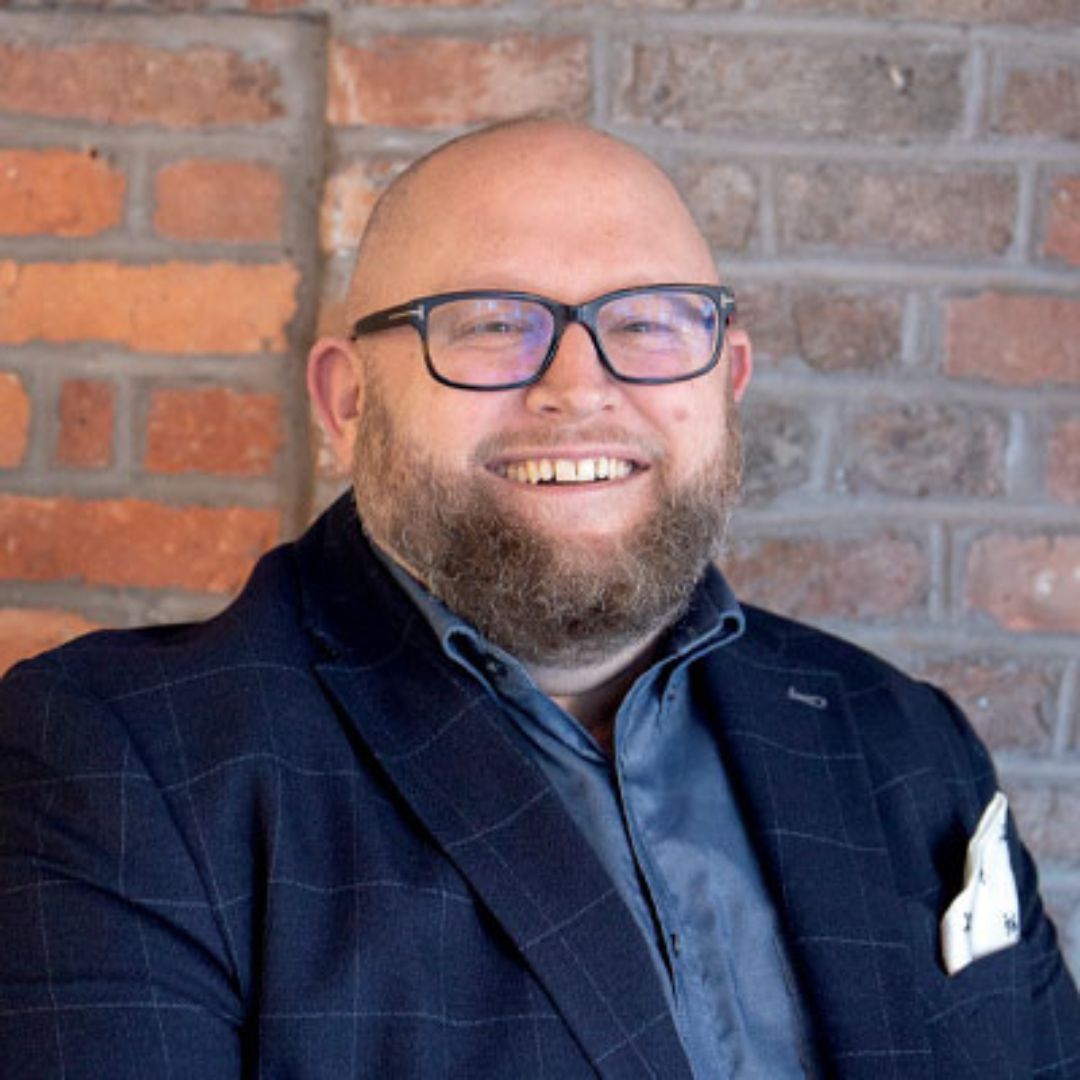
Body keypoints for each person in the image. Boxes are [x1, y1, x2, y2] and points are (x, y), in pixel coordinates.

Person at [0, 119, 1077, 1080]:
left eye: (652, 323)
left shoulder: (905, 740)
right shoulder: (117, 765)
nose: (579, 385)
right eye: (487, 323)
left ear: (728, 379)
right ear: (347, 401)